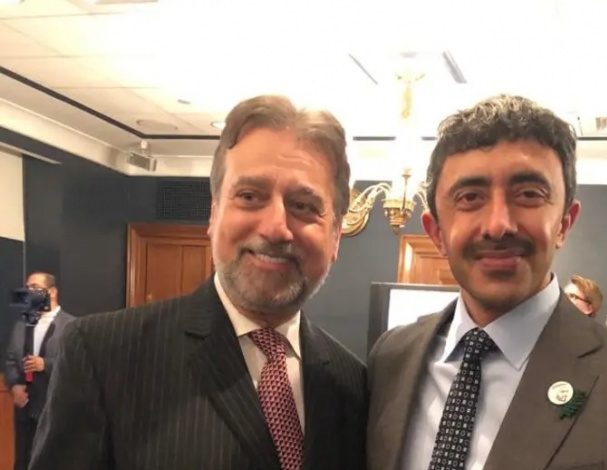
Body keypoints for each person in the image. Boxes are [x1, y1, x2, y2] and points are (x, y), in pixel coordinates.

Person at [367, 95, 607, 470]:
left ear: (564, 223)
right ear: (437, 233)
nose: (498, 225)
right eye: (470, 197)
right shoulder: (392, 358)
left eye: (529, 194)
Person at [30, 96, 366, 470]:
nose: (275, 228)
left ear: (335, 235)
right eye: (250, 196)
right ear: (214, 214)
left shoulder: (354, 382)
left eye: (303, 205)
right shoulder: (103, 356)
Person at [4, 272, 74, 470]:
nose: (29, 292)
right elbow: (10, 360)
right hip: (24, 408)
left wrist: (46, 364)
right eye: (27, 288)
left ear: (52, 292)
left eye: (34, 287)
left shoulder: (71, 325)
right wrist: (15, 386)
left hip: (53, 408)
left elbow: (76, 365)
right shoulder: (22, 324)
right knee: (22, 461)